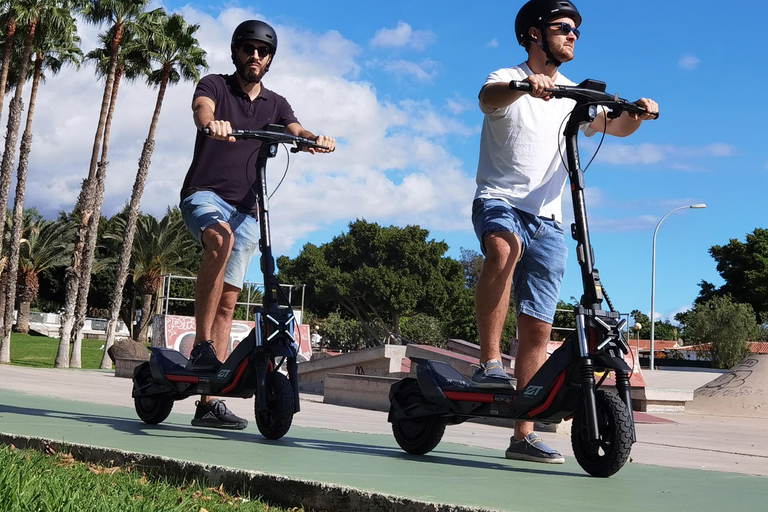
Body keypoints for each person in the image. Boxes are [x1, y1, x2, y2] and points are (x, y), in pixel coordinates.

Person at [471, 0, 657, 463]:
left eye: (576, 29)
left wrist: (637, 113)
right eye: (563, 28)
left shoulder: (573, 93)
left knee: (536, 325)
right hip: (500, 200)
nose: (573, 35)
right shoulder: (507, 76)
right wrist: (525, 87)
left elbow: (613, 126)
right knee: (502, 251)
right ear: (534, 34)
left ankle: (522, 436)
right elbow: (487, 98)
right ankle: (489, 365)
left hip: (550, 219)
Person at [180, 20, 335, 430]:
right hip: (206, 195)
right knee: (220, 240)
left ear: (270, 60)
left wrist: (313, 139)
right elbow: (201, 108)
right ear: (236, 52)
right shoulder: (215, 85)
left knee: (231, 301)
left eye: (263, 52)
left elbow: (295, 129)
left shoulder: (276, 103)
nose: (256, 56)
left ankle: (208, 403)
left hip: (248, 208)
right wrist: (211, 123)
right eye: (248, 49)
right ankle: (201, 346)